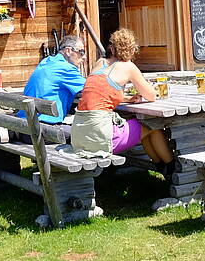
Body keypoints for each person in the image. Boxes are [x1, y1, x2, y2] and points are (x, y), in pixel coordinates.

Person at [70, 28, 173, 171]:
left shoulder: (100, 63)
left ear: (111, 48)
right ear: (132, 49)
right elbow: (151, 95)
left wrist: (127, 99)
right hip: (100, 137)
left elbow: (100, 93)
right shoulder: (128, 67)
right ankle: (171, 168)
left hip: (80, 134)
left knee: (144, 128)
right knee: (152, 126)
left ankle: (162, 167)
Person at [17, 35, 87, 141]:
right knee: (88, 135)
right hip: (39, 130)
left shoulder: (46, 61)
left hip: (23, 126)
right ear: (68, 51)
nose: (84, 56)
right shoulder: (65, 68)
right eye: (81, 52)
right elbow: (93, 88)